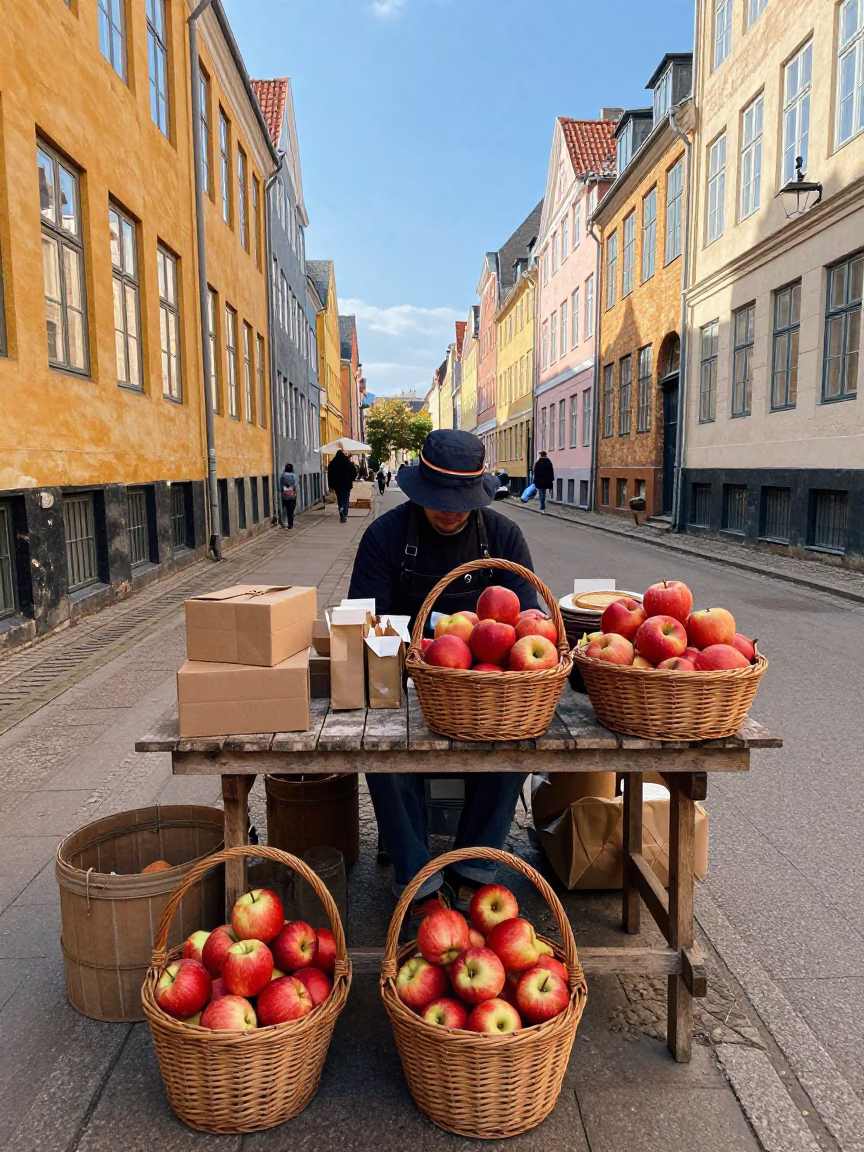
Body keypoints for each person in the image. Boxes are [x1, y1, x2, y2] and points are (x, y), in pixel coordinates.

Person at [348, 429, 539, 920]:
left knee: (518, 741)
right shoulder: (385, 537)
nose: (450, 510)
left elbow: (529, 623)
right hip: (408, 681)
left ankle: (471, 868)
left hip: (484, 687)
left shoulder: (502, 538)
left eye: (461, 500)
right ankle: (418, 878)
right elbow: (367, 622)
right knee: (378, 745)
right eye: (439, 500)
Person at [327, 443, 356, 523]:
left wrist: (331, 486)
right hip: (347, 484)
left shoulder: (332, 463)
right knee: (346, 498)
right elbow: (354, 473)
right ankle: (345, 513)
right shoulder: (348, 463)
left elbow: (330, 475)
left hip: (337, 485)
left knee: (340, 499)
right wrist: (351, 479)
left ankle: (341, 511)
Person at [278, 461, 298, 530]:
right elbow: (295, 486)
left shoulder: (283, 476)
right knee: (291, 512)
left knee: (284, 510)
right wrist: (294, 494)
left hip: (284, 496)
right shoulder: (293, 476)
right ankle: (290, 525)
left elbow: (280, 486)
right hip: (292, 496)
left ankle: (283, 522)